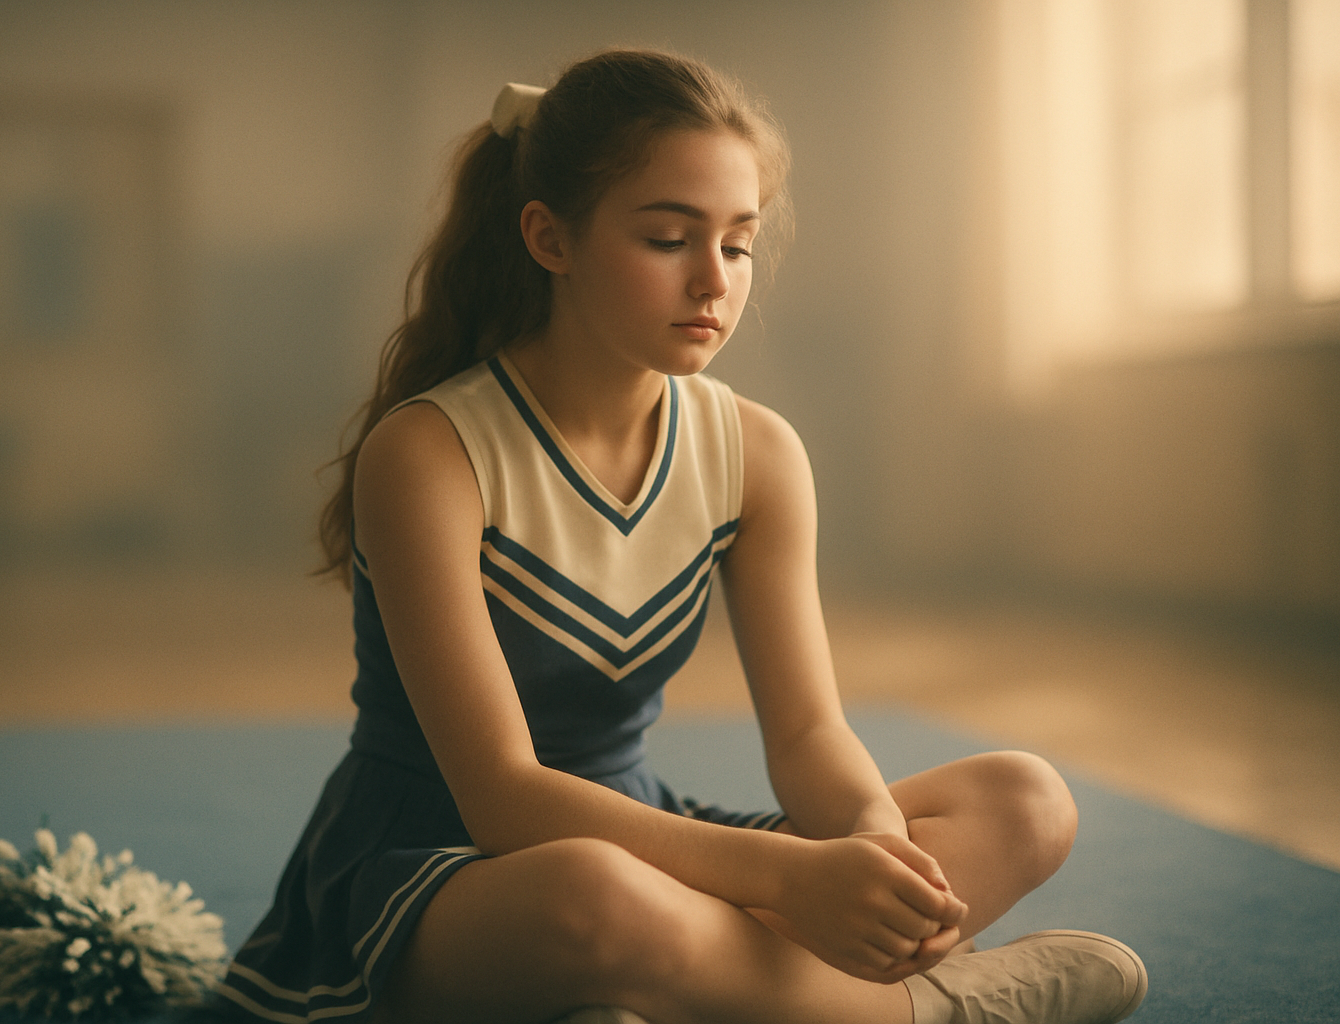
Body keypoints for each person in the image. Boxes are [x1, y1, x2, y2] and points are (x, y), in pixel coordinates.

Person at [214, 49, 1148, 1024]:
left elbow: (808, 733)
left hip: (653, 841)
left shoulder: (757, 450)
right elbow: (503, 795)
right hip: (442, 871)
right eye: (667, 237)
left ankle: (681, 990)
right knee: (595, 899)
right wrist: (791, 878)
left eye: (738, 245)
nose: (713, 280)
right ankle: (931, 1010)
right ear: (550, 238)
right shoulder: (427, 453)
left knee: (1024, 798)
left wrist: (875, 856)